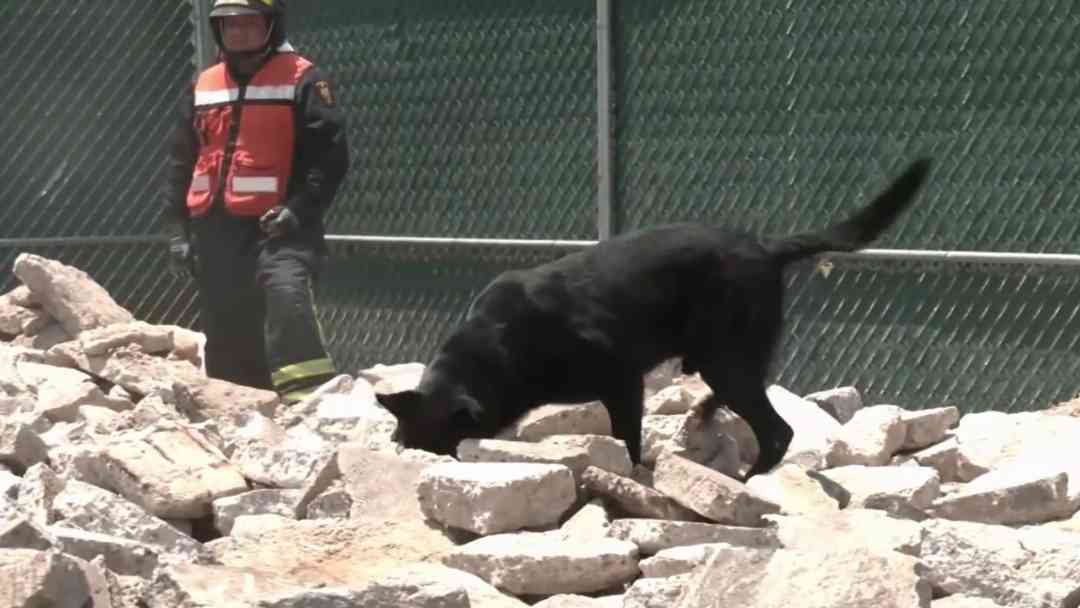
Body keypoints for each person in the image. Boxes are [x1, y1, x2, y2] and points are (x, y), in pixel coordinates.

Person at [161, 0, 349, 404]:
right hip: (215, 227)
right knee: (226, 323)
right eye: (229, 25)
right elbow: (182, 159)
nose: (238, 33)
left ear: (271, 27)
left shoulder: (303, 78)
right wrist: (177, 230)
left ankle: (310, 404)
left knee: (286, 297)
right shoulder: (204, 84)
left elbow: (330, 157)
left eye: (249, 23)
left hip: (280, 226)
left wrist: (297, 210)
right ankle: (238, 407)